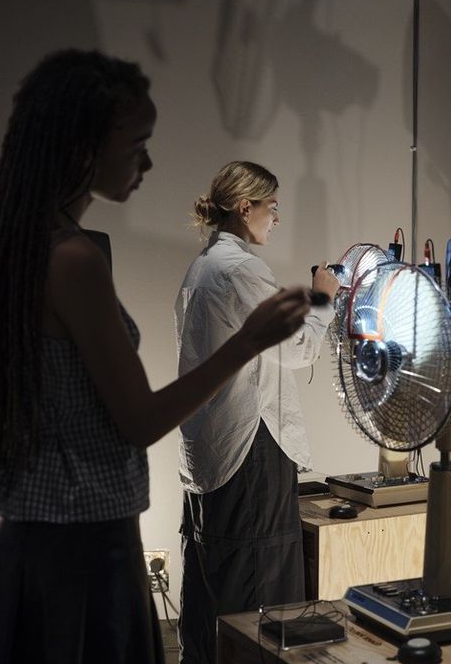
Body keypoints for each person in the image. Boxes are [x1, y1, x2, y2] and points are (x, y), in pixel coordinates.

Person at [0, 51, 312, 664]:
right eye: (137, 143)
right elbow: (139, 419)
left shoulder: (15, 244)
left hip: (26, 542)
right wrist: (248, 342)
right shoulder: (73, 259)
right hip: (80, 548)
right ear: (84, 144)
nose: (146, 162)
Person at [174, 161, 340, 663]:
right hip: (250, 447)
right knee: (258, 588)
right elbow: (296, 349)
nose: (276, 217)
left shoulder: (201, 269)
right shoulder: (241, 270)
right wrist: (324, 298)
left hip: (210, 449)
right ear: (245, 207)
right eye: (272, 206)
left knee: (210, 582)